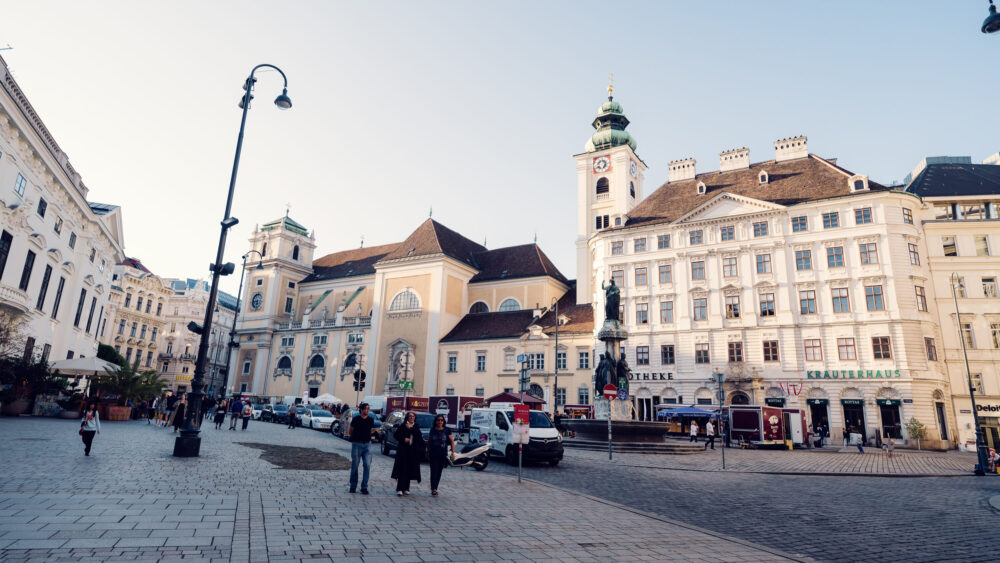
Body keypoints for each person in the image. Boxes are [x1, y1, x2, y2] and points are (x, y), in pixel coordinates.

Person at [390, 412, 424, 496]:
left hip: (412, 452)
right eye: (410, 416)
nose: (411, 418)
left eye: (413, 416)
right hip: (403, 451)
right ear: (407, 417)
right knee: (402, 469)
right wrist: (403, 439)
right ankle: (399, 488)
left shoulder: (416, 426)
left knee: (409, 469)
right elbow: (396, 435)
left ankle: (406, 488)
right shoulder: (403, 425)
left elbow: (419, 437)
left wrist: (411, 429)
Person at [347, 402, 376, 494]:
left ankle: (364, 487)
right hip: (357, 444)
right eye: (365, 409)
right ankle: (353, 485)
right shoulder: (356, 419)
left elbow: (370, 430)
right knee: (355, 465)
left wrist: (374, 432)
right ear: (361, 410)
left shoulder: (370, 420)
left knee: (367, 465)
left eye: (368, 409)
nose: (367, 410)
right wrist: (355, 437)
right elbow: (350, 430)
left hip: (367, 445)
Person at [426, 414, 455, 497]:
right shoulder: (432, 430)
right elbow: (429, 441)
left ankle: (435, 487)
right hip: (433, 453)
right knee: (433, 471)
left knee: (439, 472)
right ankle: (433, 489)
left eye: (441, 420)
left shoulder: (447, 430)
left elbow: (452, 441)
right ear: (435, 421)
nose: (440, 422)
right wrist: (427, 451)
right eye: (438, 420)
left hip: (442, 454)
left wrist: (453, 453)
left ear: (443, 421)